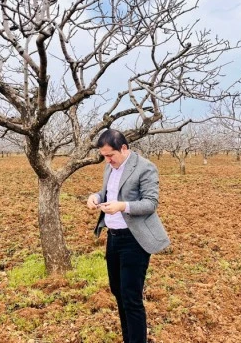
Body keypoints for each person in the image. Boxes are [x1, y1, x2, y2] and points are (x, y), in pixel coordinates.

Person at [87, 129, 170, 343]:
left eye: (110, 155)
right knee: (118, 291)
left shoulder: (145, 168)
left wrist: (123, 206)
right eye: (104, 156)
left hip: (134, 240)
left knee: (131, 297)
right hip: (113, 238)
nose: (107, 160)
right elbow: (107, 193)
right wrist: (96, 196)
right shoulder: (110, 167)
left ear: (123, 148)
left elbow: (151, 203)